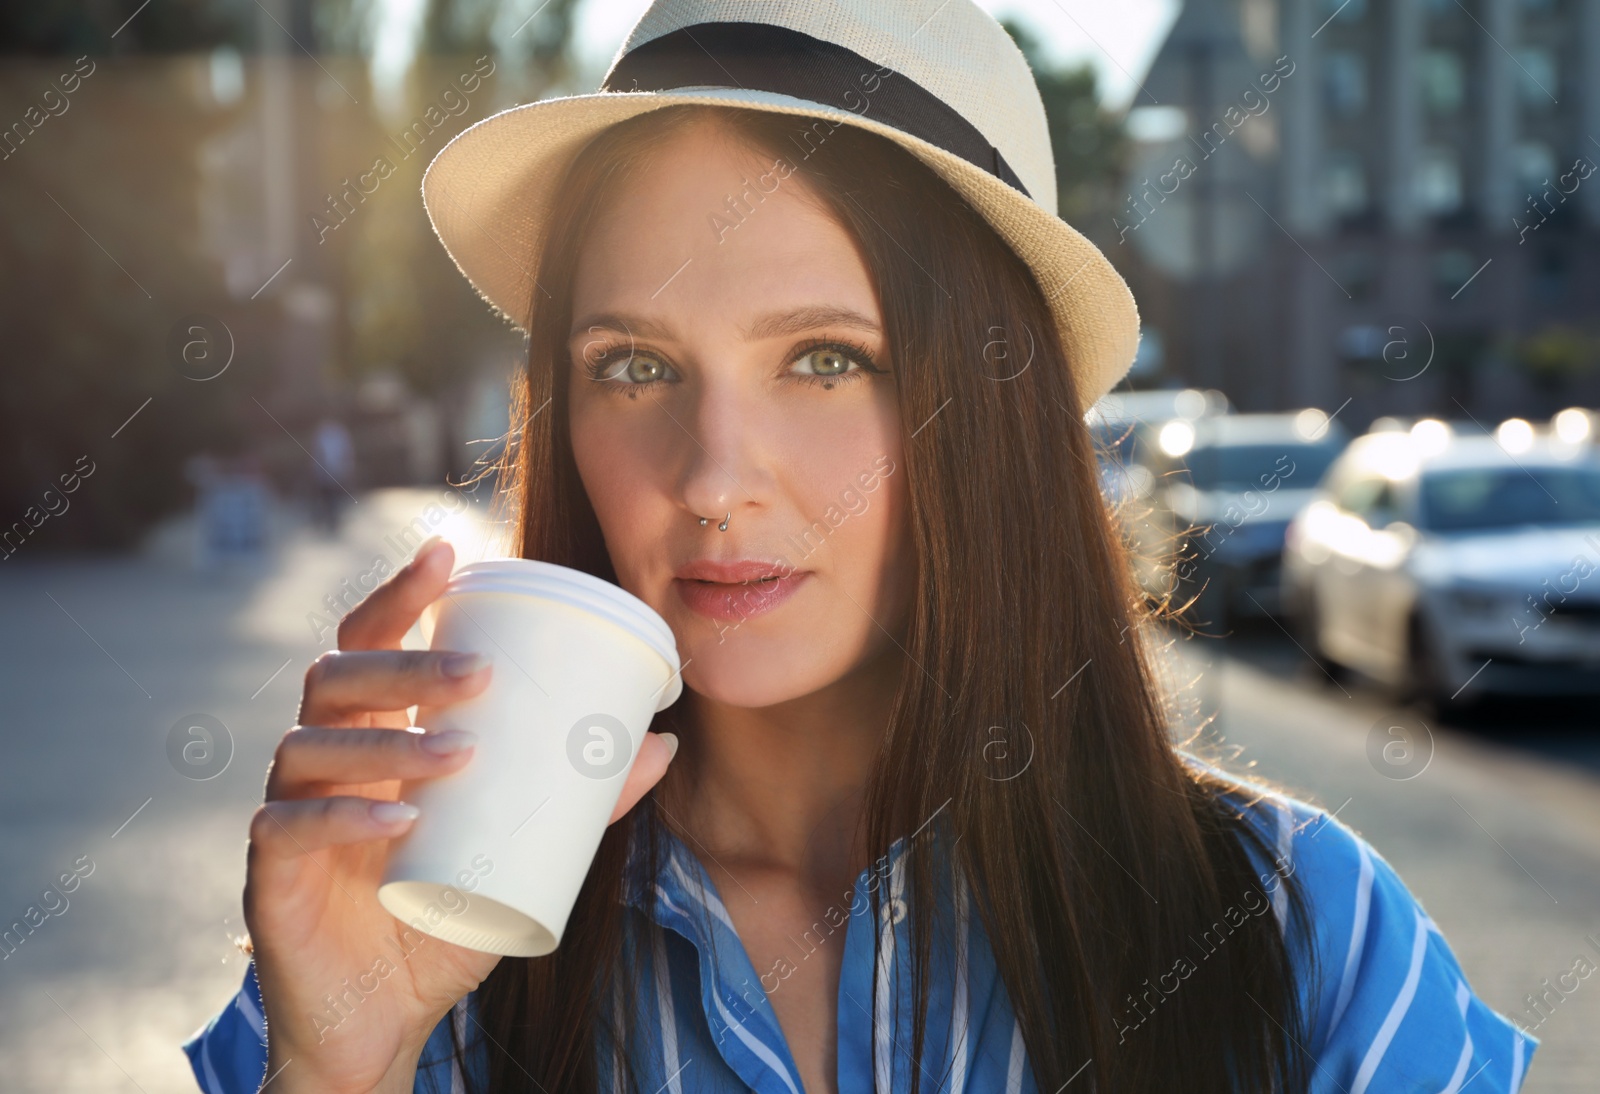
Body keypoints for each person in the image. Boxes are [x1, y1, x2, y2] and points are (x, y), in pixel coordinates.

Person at [181, 2, 1536, 1092]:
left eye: (826, 359)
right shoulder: (400, 953)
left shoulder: (1316, 945)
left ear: (993, 401)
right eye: (637, 365)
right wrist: (338, 1066)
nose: (713, 478)